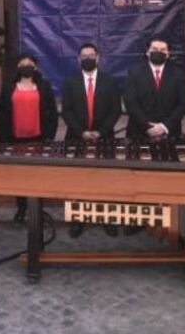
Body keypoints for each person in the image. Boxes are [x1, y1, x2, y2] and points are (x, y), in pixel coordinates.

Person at [61, 43, 122, 238]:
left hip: (104, 138)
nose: (88, 58)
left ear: (98, 57)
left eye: (91, 55)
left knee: (105, 178)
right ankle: (77, 219)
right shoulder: (70, 81)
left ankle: (106, 218)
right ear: (78, 59)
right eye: (84, 56)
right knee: (77, 179)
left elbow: (115, 110)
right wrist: (81, 132)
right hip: (76, 137)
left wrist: (100, 132)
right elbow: (66, 110)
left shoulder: (109, 81)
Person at [0, 53, 58, 223]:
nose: (26, 67)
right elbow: (2, 115)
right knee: (19, 176)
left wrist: (50, 137)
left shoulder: (44, 86)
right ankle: (21, 208)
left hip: (39, 139)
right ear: (17, 68)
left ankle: (38, 209)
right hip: (15, 140)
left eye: (29, 64)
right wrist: (3, 142)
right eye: (22, 64)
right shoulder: (8, 87)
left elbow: (52, 113)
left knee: (38, 175)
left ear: (36, 67)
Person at [123, 36, 185, 142]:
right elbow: (130, 102)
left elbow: (183, 104)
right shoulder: (134, 72)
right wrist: (147, 125)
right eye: (154, 49)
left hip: (170, 131)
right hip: (139, 131)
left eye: (163, 50)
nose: (158, 52)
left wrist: (164, 126)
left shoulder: (178, 73)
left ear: (168, 54)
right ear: (147, 52)